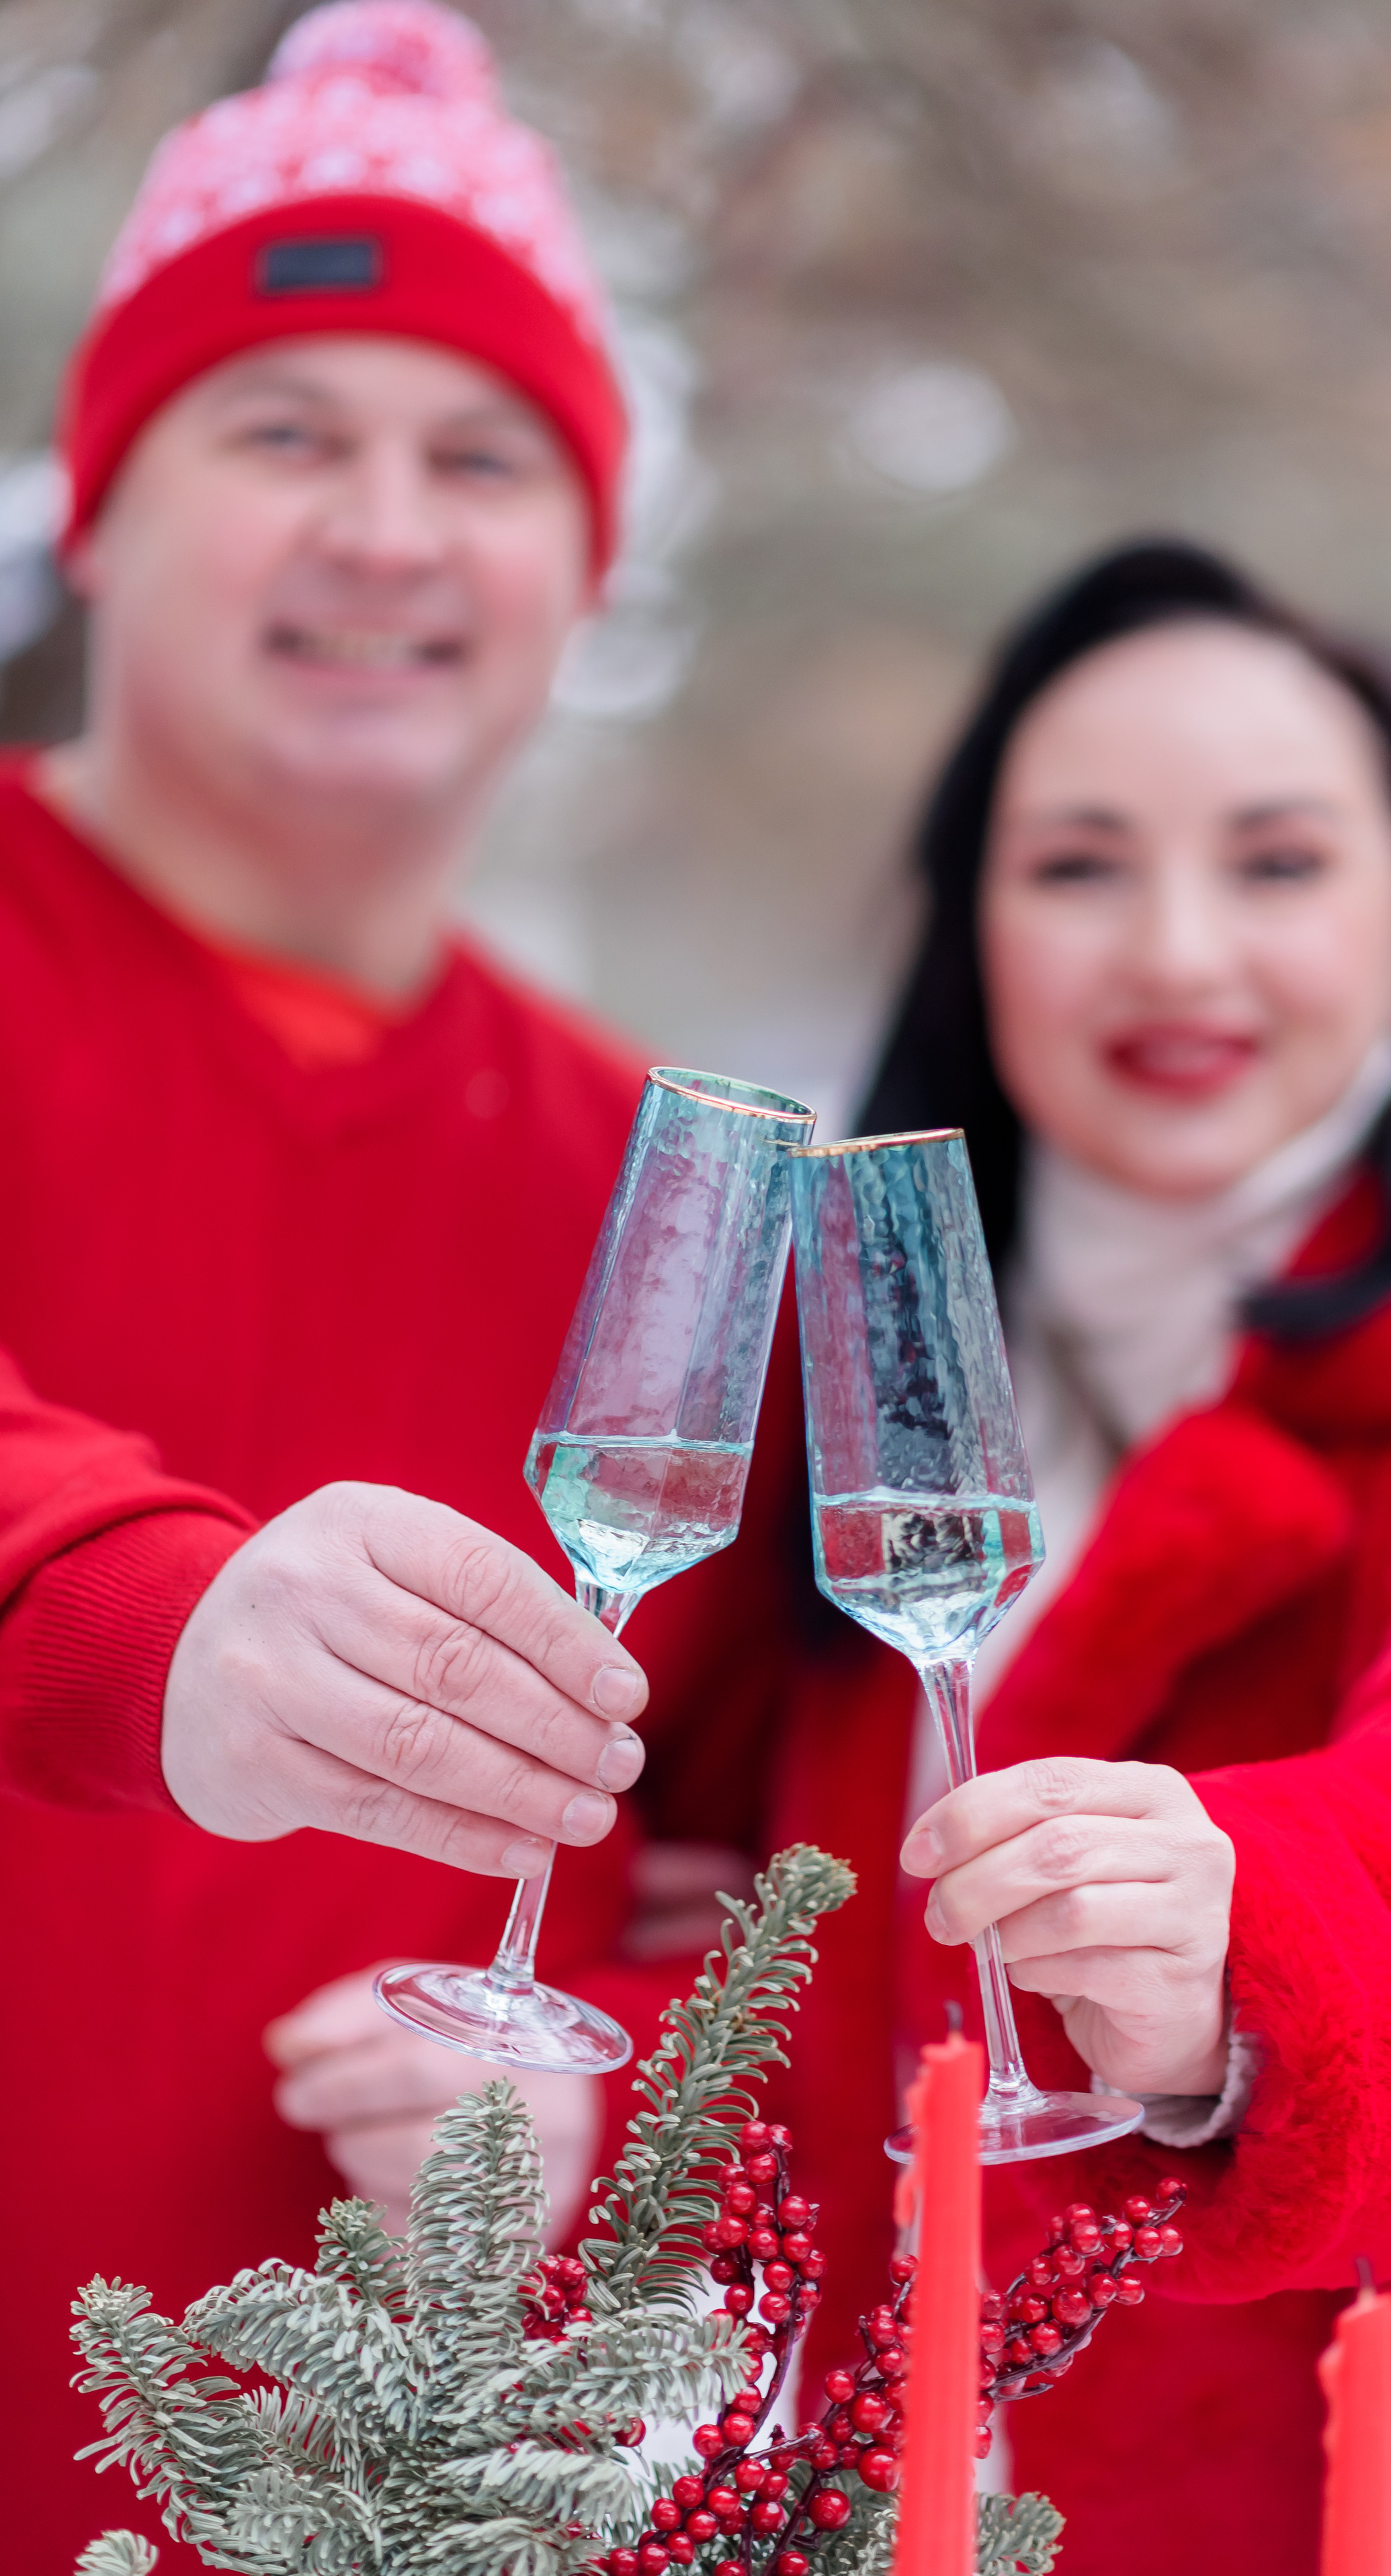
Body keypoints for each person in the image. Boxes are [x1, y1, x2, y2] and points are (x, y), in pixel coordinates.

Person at [1, 9, 792, 2562]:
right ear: (98, 511)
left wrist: (610, 2086)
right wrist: (137, 1613)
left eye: (480, 460)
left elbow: (769, 1860)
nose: (384, 529)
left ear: (586, 574)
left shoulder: (656, 1191)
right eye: (282, 433)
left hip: (346, 2510)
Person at [767, 538, 1391, 2575]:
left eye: (1277, 865)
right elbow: (820, 1940)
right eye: (1081, 867)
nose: (1177, 954)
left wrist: (1261, 1931)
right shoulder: (889, 1360)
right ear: (975, 935)